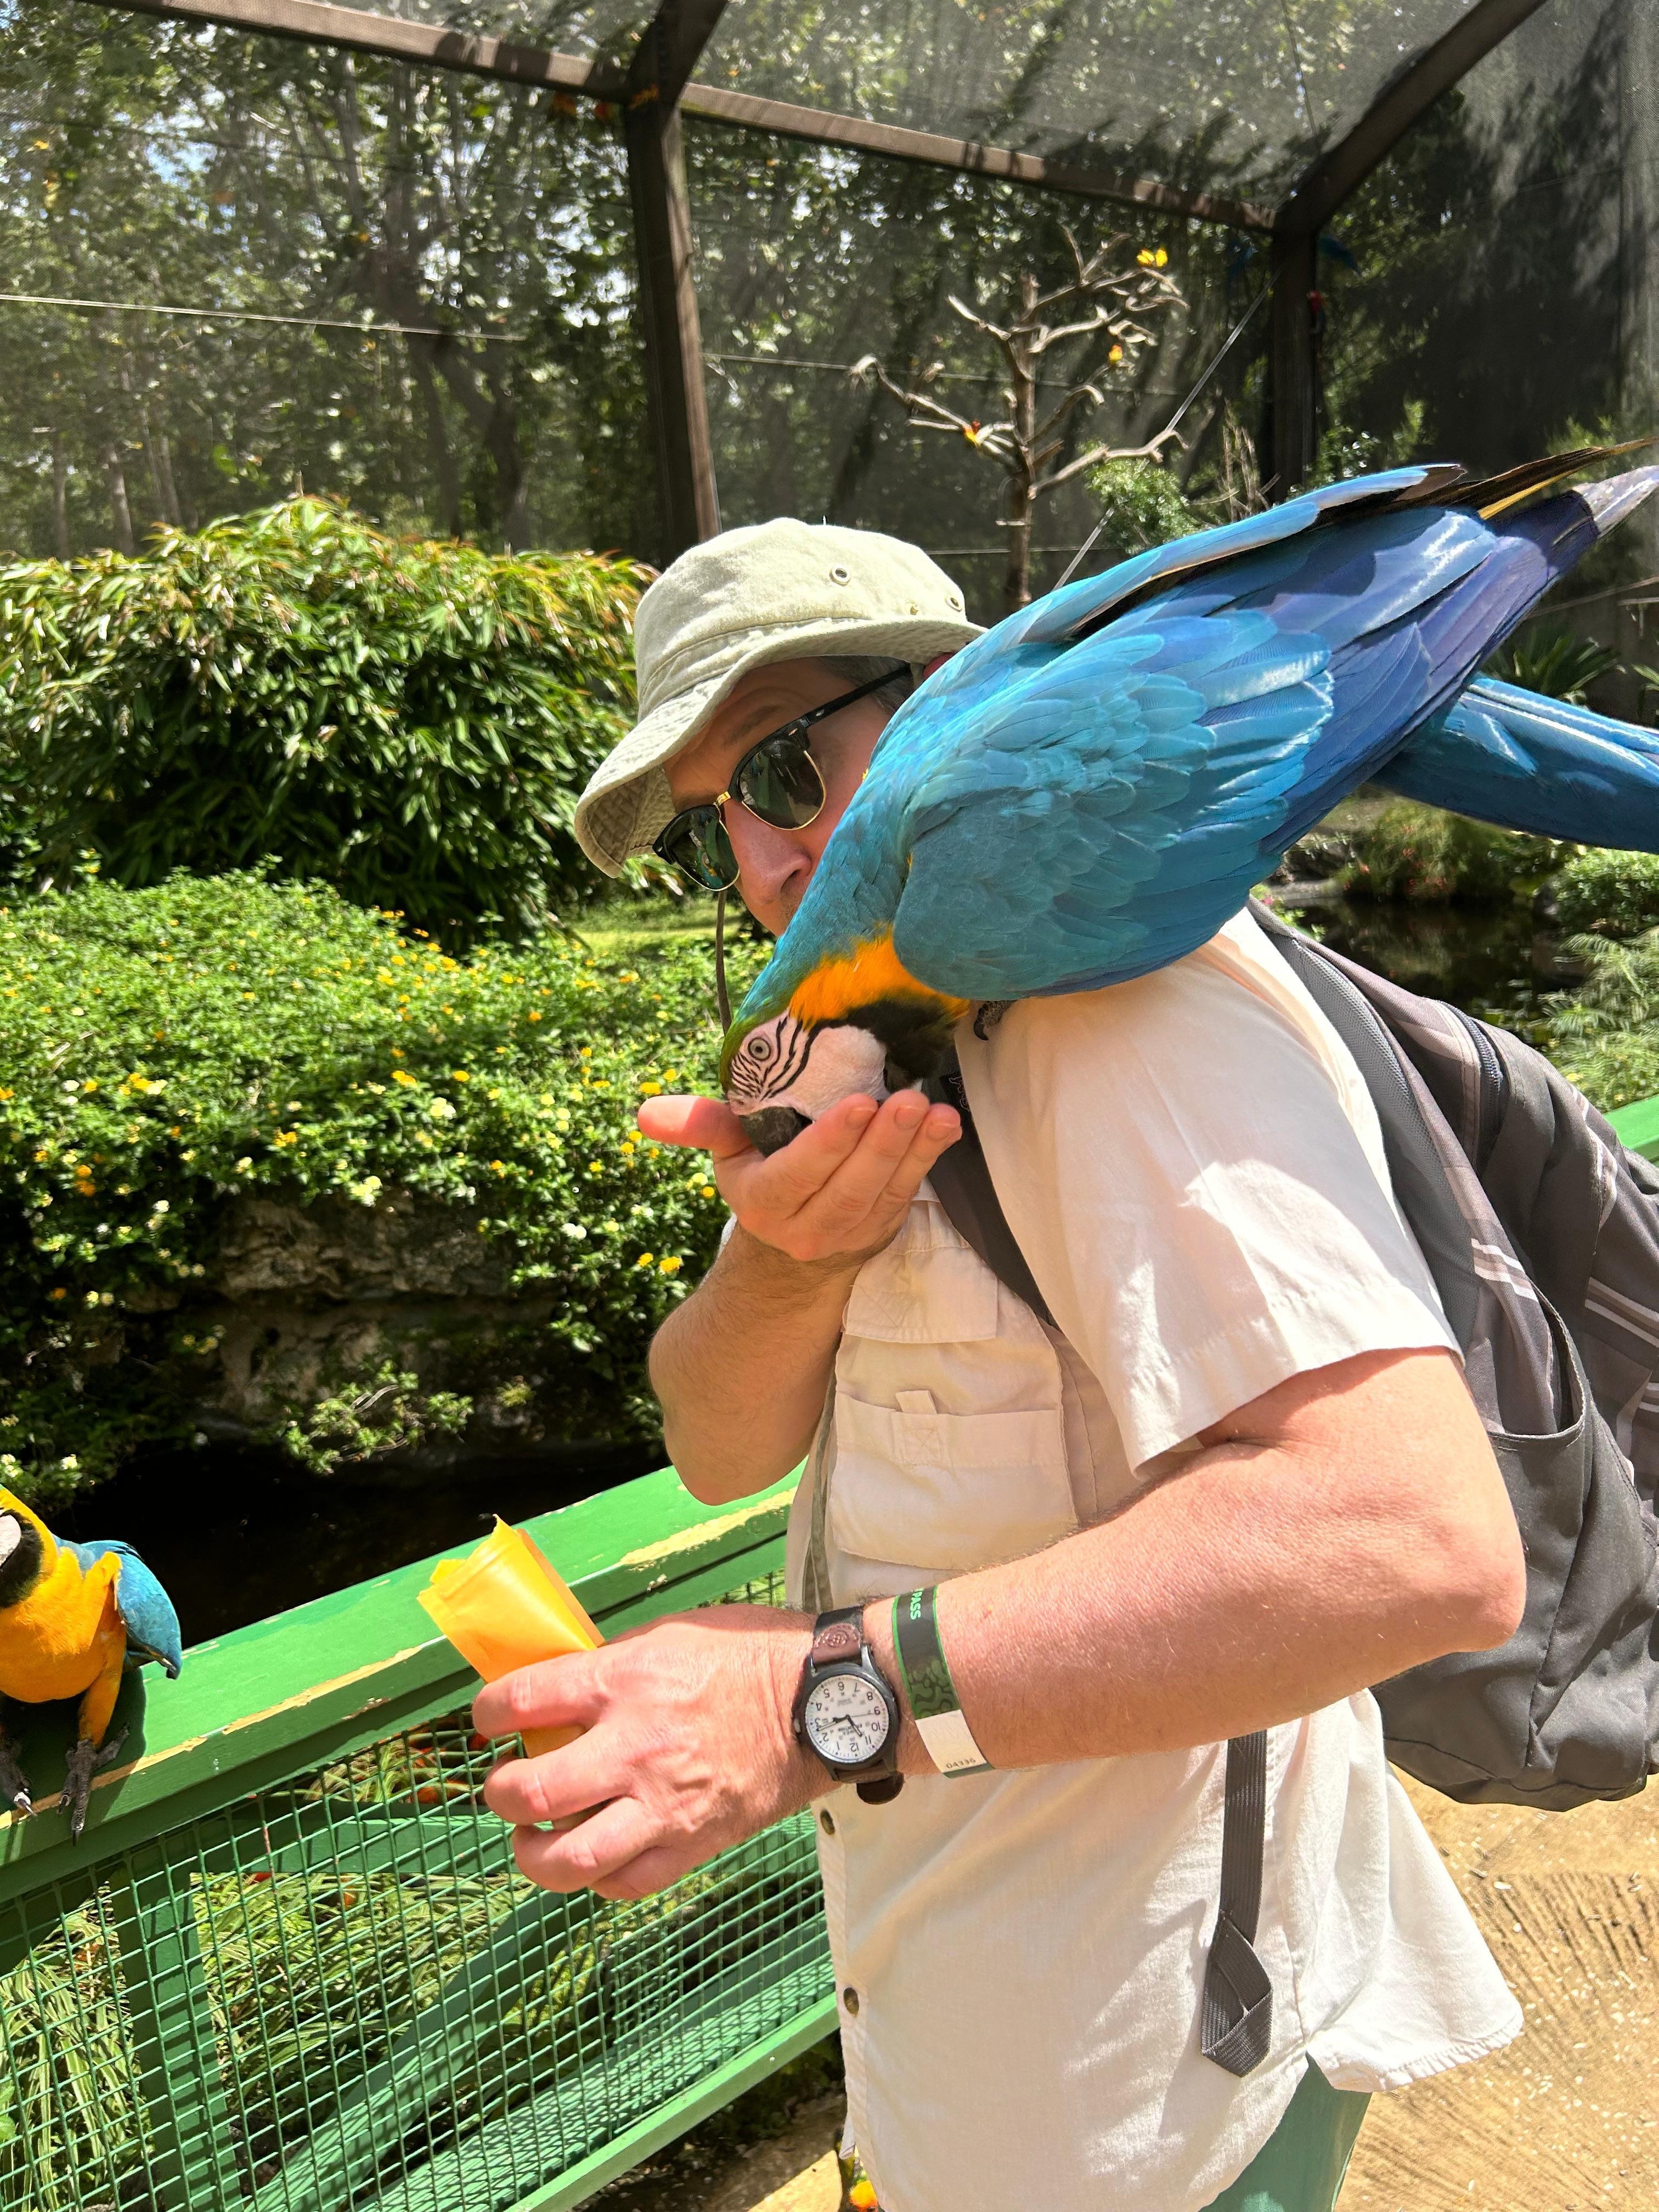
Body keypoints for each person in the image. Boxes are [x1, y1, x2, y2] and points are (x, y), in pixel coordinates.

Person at [474, 518, 1527, 2212]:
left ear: (960, 704)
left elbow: (1412, 1543)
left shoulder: (1117, 1008)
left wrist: (801, 1705)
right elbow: (716, 1446)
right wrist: (782, 1258)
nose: (758, 861)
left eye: (788, 770)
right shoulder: (895, 1026)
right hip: (976, 2051)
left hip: (1165, 2094)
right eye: (719, 822)